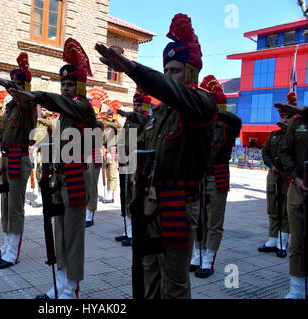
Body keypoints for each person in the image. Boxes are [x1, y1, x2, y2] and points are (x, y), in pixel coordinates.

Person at [95, 13, 218, 298]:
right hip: (150, 203)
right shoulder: (159, 114)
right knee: (148, 271)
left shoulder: (201, 104)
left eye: (174, 70)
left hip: (177, 204)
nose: (168, 76)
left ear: (190, 71)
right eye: (166, 71)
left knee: (173, 283)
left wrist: (132, 68)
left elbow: (172, 91)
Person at [9, 38, 97, 299]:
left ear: (79, 85)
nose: (67, 89)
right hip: (61, 178)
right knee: (59, 233)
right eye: (64, 84)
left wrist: (36, 95)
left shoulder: (83, 108)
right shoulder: (66, 115)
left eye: (71, 84)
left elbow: (60, 103)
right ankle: (60, 283)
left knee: (73, 236)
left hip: (77, 178)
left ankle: (71, 288)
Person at [0, 53, 38, 269]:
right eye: (13, 83)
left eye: (18, 83)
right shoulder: (12, 107)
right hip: (7, 159)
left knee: (15, 207)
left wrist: (5, 83)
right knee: (6, 205)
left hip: (19, 158)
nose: (14, 88)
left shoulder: (28, 105)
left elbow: (23, 96)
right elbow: (4, 132)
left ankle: (12, 252)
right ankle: (5, 246)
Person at [189, 75, 242, 278]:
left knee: (214, 222)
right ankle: (198, 253)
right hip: (199, 177)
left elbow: (235, 120)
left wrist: (216, 111)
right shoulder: (200, 122)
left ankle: (209, 258)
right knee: (198, 219)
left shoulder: (228, 123)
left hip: (218, 178)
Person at [278, 94, 308, 299]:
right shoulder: (297, 124)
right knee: (297, 240)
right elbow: (285, 151)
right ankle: (297, 288)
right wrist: (296, 177)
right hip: (298, 188)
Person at [257, 93, 293, 258]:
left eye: (288, 117)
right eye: (283, 117)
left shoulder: (294, 136)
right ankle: (272, 239)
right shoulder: (274, 135)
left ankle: (282, 241)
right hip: (273, 175)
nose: (284, 119)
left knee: (285, 209)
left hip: (288, 177)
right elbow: (265, 153)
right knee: (272, 207)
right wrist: (271, 165)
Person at [115, 92, 151, 247]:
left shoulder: (147, 120)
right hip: (125, 162)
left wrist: (129, 115)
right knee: (126, 197)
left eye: (138, 105)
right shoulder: (129, 121)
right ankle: (128, 230)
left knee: (136, 198)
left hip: (137, 165)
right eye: (134, 104)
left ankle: (135, 232)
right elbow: (122, 139)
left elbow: (142, 121)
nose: (135, 107)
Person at [85, 88, 108, 227]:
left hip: (94, 156)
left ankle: (90, 214)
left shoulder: (99, 122)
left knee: (92, 186)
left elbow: (96, 125)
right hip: (82, 154)